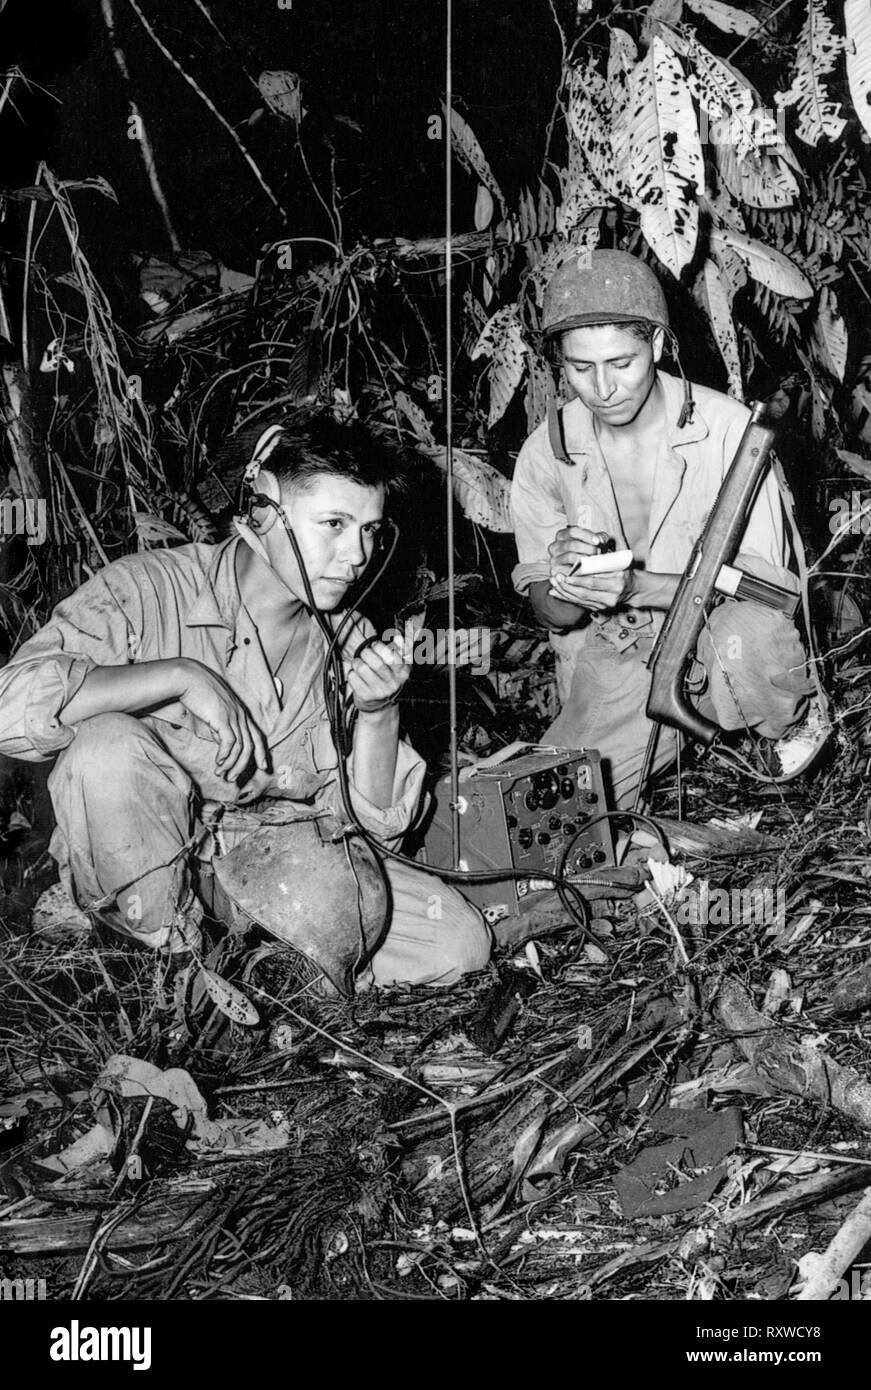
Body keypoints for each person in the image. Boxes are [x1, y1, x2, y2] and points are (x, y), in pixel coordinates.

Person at [0, 417, 491, 988]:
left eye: (370, 530)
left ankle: (264, 971)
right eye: (333, 524)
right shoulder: (147, 591)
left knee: (456, 942)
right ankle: (167, 973)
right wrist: (180, 676)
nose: (356, 554)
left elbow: (374, 836)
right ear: (264, 510)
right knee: (104, 744)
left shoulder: (350, 640)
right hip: (163, 859)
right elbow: (10, 708)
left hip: (284, 866)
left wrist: (380, 714)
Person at [510, 248, 821, 809]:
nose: (602, 388)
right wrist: (565, 585)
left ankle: (769, 729)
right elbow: (548, 614)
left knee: (752, 640)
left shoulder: (730, 432)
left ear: (655, 343)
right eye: (581, 368)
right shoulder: (546, 453)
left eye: (621, 362)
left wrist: (637, 587)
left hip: (714, 638)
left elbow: (771, 593)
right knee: (543, 811)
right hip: (618, 653)